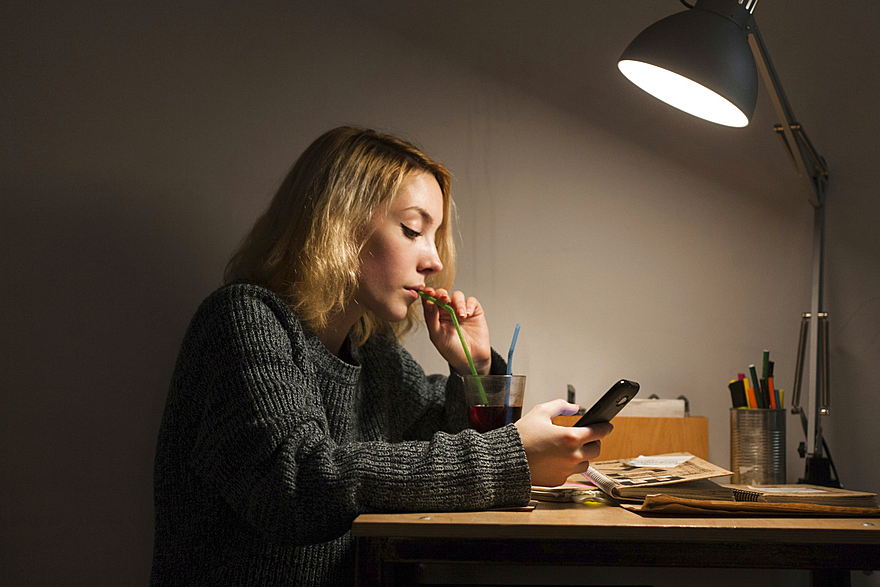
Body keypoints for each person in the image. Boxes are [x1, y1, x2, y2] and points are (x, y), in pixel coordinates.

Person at [150, 126, 611, 586]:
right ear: (338, 222)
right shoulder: (243, 318)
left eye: (435, 236)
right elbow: (296, 485)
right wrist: (511, 457)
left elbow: (432, 451)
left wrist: (473, 369)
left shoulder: (372, 348)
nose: (433, 259)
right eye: (413, 229)